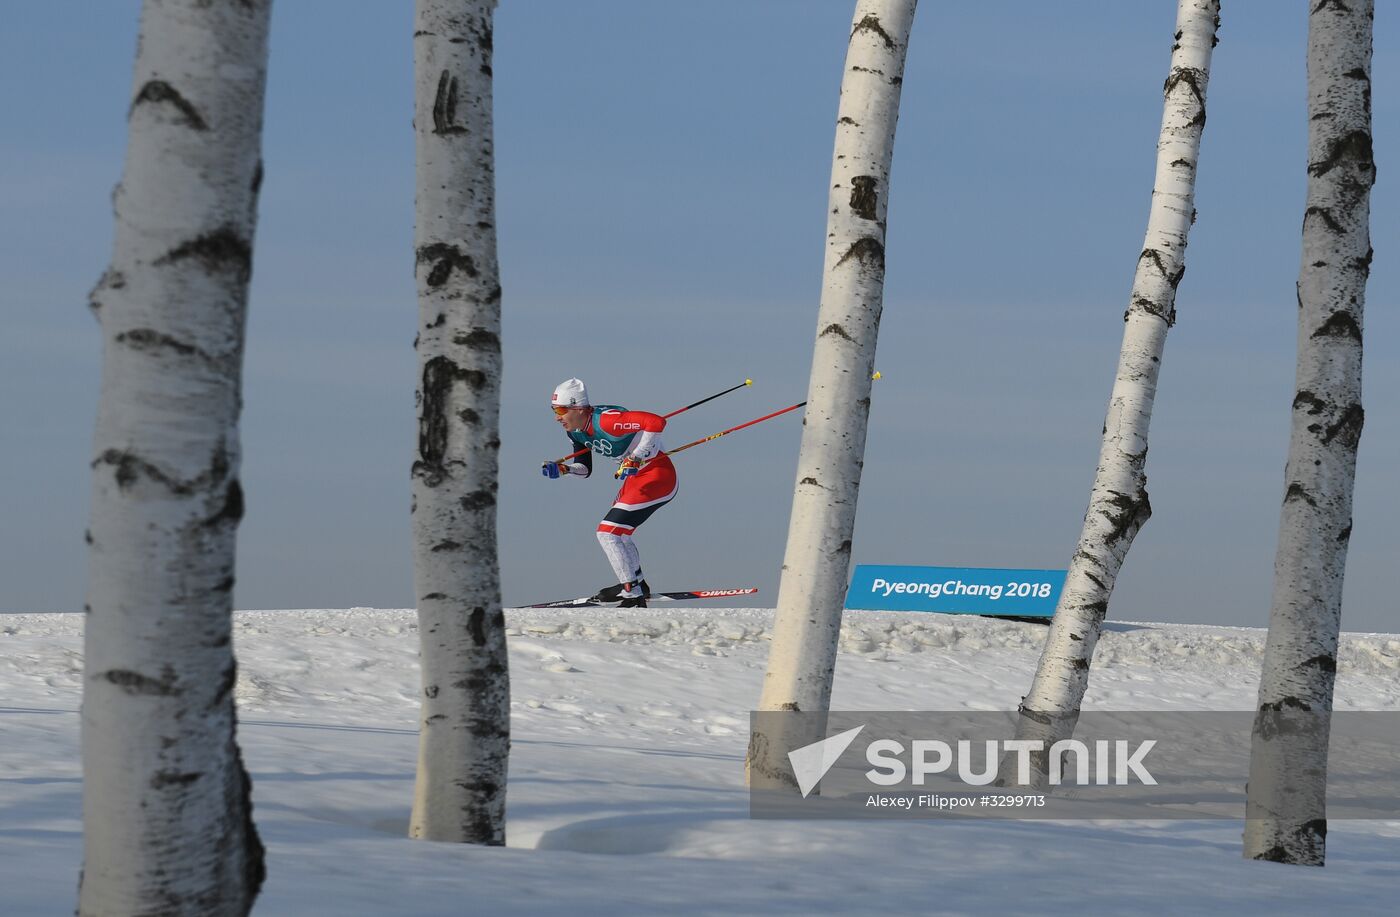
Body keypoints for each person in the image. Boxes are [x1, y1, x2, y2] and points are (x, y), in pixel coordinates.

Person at [542, 378, 677, 608]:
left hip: (657, 475)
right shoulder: (576, 432)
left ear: (578, 407)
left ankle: (630, 590)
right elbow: (585, 470)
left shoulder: (607, 422)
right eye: (554, 410)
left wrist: (636, 457)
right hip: (635, 480)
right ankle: (638, 585)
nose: (557, 416)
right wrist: (565, 470)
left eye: (562, 410)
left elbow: (656, 422)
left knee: (607, 533)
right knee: (619, 534)